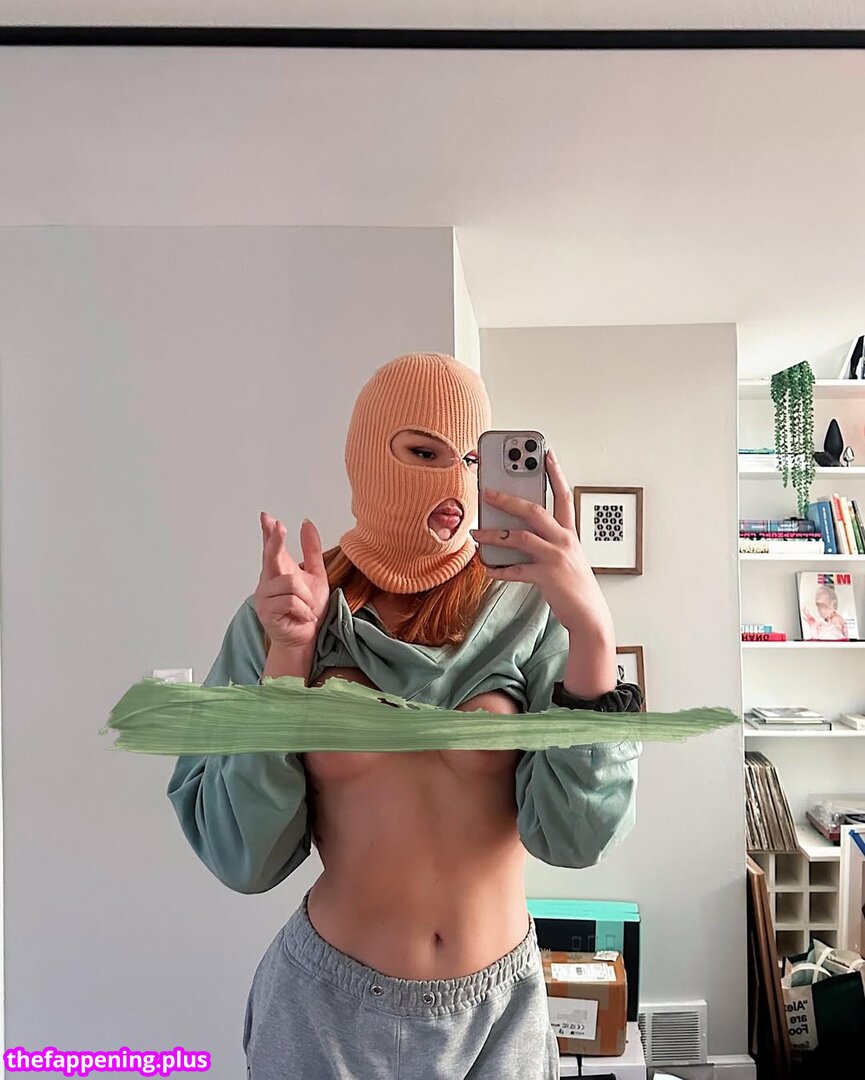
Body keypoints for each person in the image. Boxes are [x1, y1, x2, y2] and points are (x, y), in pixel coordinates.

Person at [168, 353, 642, 1080]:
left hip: (499, 1018)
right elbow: (243, 858)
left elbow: (577, 839)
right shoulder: (289, 608)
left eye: (470, 459)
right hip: (324, 1012)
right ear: (367, 455)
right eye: (423, 452)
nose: (453, 482)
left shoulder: (529, 610)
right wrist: (289, 659)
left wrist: (592, 631)